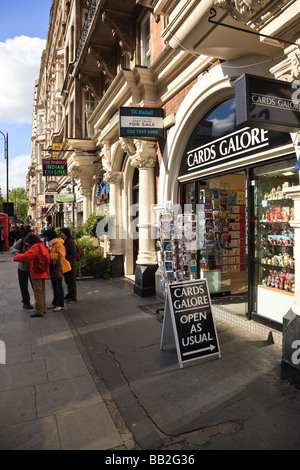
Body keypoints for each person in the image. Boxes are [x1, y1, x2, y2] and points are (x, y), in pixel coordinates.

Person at [13, 233, 50, 317]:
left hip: (37, 273)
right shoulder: (41, 246)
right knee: (41, 292)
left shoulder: (35, 248)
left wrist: (16, 256)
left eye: (28, 243)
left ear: (31, 241)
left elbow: (25, 256)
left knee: (38, 293)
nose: (28, 244)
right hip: (43, 272)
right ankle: (42, 309)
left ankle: (39, 311)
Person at [43, 228, 71, 311]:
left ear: (49, 236)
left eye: (46, 236)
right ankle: (55, 302)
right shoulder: (50, 244)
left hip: (58, 267)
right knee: (54, 285)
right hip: (53, 267)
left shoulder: (58, 243)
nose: (45, 238)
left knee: (58, 286)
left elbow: (61, 255)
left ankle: (61, 304)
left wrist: (49, 255)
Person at [11, 225, 33, 309]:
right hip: (22, 268)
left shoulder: (34, 242)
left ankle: (39, 301)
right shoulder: (21, 241)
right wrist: (16, 252)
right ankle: (26, 302)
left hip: (32, 268)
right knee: (23, 286)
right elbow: (12, 248)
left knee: (35, 285)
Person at [60, 228, 77, 303]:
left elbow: (74, 253)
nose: (61, 234)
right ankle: (69, 294)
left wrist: (67, 260)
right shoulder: (64, 240)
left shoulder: (70, 241)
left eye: (62, 233)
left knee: (71, 281)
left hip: (71, 264)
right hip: (66, 264)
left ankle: (73, 296)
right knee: (67, 280)